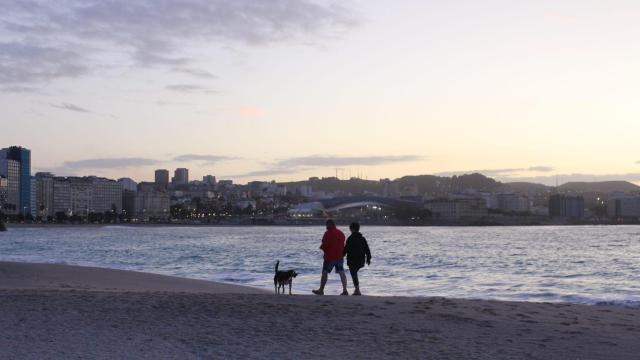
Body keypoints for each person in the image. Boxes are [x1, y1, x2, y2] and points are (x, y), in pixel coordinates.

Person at [312, 219, 348, 296]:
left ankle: (321, 290)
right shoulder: (341, 233)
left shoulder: (327, 233)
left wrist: (322, 247)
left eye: (326, 225)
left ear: (329, 225)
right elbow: (343, 244)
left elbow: (325, 244)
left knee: (325, 272)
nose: (326, 227)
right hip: (339, 256)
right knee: (341, 272)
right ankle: (345, 290)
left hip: (329, 257)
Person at [343, 222, 371, 296]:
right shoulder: (362, 238)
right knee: (354, 273)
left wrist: (340, 256)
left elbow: (346, 249)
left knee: (353, 273)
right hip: (361, 260)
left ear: (352, 229)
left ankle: (357, 290)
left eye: (350, 228)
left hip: (352, 260)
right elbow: (367, 249)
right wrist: (368, 259)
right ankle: (357, 289)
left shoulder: (350, 238)